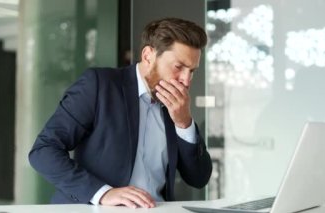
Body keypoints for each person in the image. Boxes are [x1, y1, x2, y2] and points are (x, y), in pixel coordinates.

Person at [29, 17, 212, 208]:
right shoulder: (99, 85)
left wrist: (184, 124)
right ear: (148, 56)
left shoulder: (176, 107)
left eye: (192, 71)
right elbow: (43, 151)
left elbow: (198, 178)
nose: (186, 80)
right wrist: (102, 193)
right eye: (178, 67)